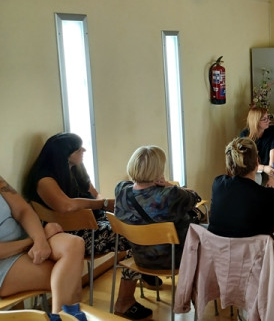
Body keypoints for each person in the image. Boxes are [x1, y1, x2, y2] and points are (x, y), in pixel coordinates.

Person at [22, 133, 153, 320]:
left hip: (93, 225)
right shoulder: (44, 179)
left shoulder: (76, 169)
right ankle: (125, 301)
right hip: (71, 235)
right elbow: (66, 205)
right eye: (78, 149)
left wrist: (111, 204)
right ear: (65, 154)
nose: (83, 150)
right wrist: (103, 204)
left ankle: (142, 269)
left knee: (138, 225)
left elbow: (94, 194)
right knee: (137, 236)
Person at [114, 146, 201, 318]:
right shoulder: (170, 194)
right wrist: (168, 184)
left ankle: (124, 300)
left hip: (139, 256)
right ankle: (197, 297)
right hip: (176, 258)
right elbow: (195, 197)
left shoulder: (121, 190)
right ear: (158, 170)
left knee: (140, 240)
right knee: (198, 218)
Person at [0, 175, 87, 321]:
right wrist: (34, 241)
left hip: (27, 240)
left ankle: (60, 317)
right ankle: (64, 317)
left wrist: (39, 239)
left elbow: (23, 210)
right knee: (69, 280)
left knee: (74, 245)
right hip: (4, 261)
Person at [208, 137, 274, 239]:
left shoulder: (218, 184)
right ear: (257, 162)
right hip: (254, 253)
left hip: (217, 251)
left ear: (230, 165)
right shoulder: (270, 196)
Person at [239, 107, 274, 191]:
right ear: (256, 122)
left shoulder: (273, 130)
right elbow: (248, 162)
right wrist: (263, 168)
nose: (268, 121)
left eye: (268, 118)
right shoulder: (245, 135)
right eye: (264, 119)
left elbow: (273, 155)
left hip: (271, 167)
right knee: (254, 186)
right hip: (253, 168)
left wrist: (271, 177)